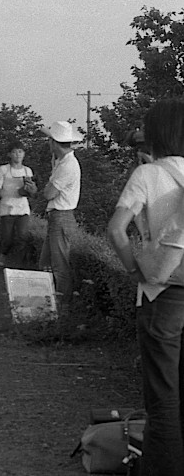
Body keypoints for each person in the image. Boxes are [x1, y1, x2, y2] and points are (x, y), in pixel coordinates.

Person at [107, 99, 184, 474]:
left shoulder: (148, 175)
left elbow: (116, 229)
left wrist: (135, 268)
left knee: (164, 400)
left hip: (163, 295)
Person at [37, 121, 83, 302]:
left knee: (59, 266)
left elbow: (49, 194)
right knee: (47, 264)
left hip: (61, 216)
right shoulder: (62, 162)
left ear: (54, 142)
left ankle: (63, 306)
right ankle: (50, 304)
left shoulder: (67, 166)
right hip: (59, 217)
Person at [0, 141, 36, 267]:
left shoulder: (28, 171)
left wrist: (30, 188)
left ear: (24, 154)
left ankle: (21, 264)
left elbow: (31, 190)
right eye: (15, 152)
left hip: (23, 208)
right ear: (9, 154)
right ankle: (3, 254)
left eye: (20, 152)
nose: (17, 154)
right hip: (7, 207)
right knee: (7, 238)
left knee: (23, 236)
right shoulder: (4, 169)